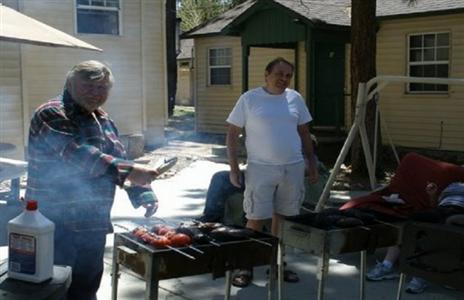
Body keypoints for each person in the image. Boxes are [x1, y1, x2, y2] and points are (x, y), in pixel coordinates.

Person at [25, 60, 159, 300]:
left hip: (92, 222)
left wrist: (142, 193)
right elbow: (76, 153)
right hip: (55, 221)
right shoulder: (52, 112)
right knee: (53, 288)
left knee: (86, 288)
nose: (96, 93)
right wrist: (129, 170)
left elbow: (118, 157)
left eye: (102, 88)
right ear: (70, 84)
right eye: (88, 86)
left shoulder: (103, 119)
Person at [226, 57, 319, 287]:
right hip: (260, 169)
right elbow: (231, 134)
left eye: (288, 75)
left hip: (293, 167)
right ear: (266, 74)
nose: (283, 79)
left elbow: (305, 133)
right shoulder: (249, 99)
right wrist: (234, 167)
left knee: (283, 218)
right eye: (279, 73)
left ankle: (276, 263)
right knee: (255, 218)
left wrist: (312, 163)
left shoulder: (295, 98)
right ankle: (245, 266)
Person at [366, 181, 464, 294]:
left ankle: (424, 274)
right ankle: (387, 265)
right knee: (411, 224)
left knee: (445, 227)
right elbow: (435, 205)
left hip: (459, 214)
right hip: (440, 210)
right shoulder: (453, 185)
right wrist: (432, 194)